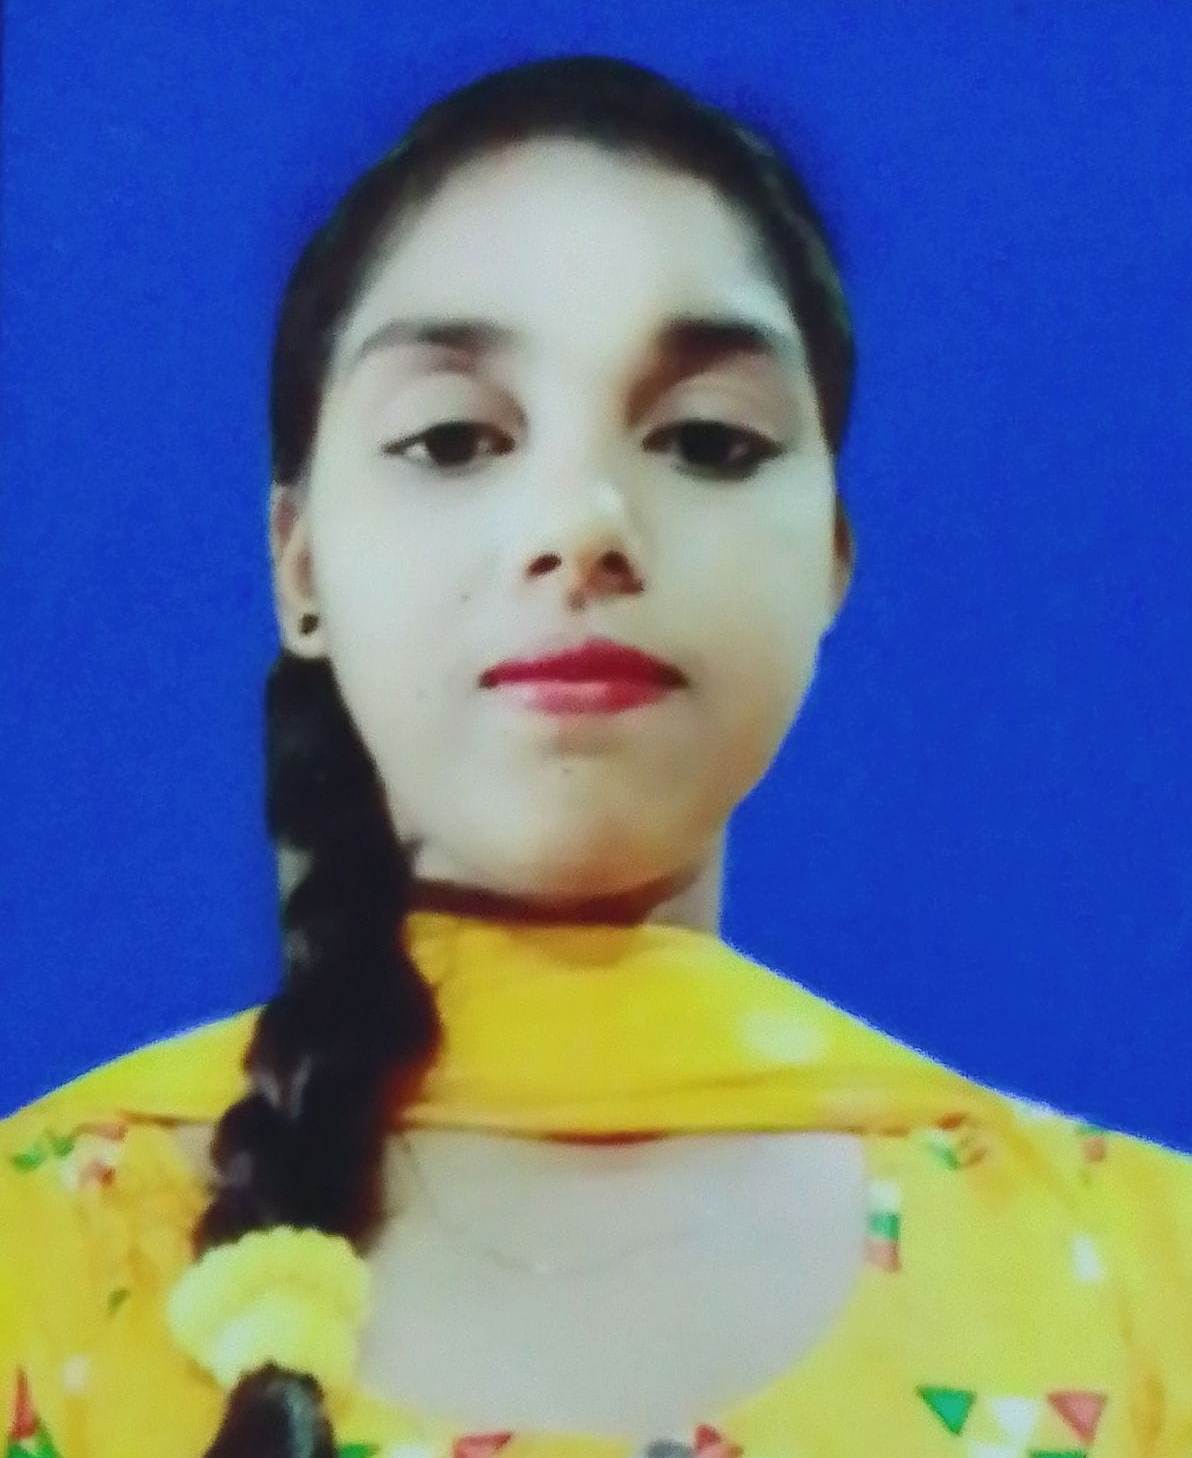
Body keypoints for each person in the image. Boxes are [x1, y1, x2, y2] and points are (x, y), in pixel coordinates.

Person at [1, 51, 1189, 1458]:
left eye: (709, 440)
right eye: (454, 438)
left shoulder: (1146, 1281)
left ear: (831, 559)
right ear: (298, 561)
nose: (582, 523)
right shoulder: (36, 1253)